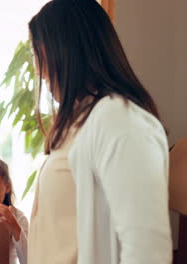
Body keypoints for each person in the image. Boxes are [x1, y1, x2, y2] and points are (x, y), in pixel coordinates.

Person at [27, 0, 172, 263]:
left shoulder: (117, 118)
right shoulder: (81, 121)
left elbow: (147, 251)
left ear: (66, 49)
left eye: (38, 55)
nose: (39, 70)